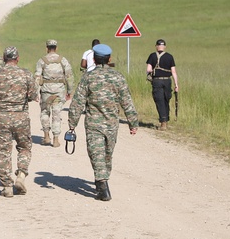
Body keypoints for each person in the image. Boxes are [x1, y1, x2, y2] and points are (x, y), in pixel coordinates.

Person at [69, 44, 139, 201]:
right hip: (111, 124)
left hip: (94, 123)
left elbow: (78, 102)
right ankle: (102, 183)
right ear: (109, 59)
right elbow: (127, 101)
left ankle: (102, 179)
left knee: (100, 153)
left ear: (93, 59)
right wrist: (133, 123)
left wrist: (72, 123)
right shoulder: (118, 77)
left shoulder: (88, 77)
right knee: (104, 153)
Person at [0, 46, 38, 197]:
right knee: (25, 147)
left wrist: (1, 101)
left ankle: (7, 186)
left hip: (2, 117)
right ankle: (21, 175)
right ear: (17, 58)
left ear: (3, 58)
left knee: (3, 151)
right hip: (21, 116)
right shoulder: (26, 74)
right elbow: (34, 94)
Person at [34, 39, 75, 147]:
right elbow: (69, 76)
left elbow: (37, 77)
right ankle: (56, 139)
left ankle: (46, 136)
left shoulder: (42, 60)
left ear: (47, 48)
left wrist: (35, 92)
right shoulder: (62, 60)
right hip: (59, 92)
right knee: (56, 114)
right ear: (56, 48)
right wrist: (70, 91)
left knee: (44, 112)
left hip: (46, 92)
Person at [145, 38, 178, 130]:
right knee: (166, 99)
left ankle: (163, 121)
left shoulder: (152, 56)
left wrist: (150, 73)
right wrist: (176, 84)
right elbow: (174, 72)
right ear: (165, 47)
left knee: (159, 101)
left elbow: (148, 69)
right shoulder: (170, 56)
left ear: (156, 46)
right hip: (167, 81)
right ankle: (166, 119)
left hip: (157, 81)